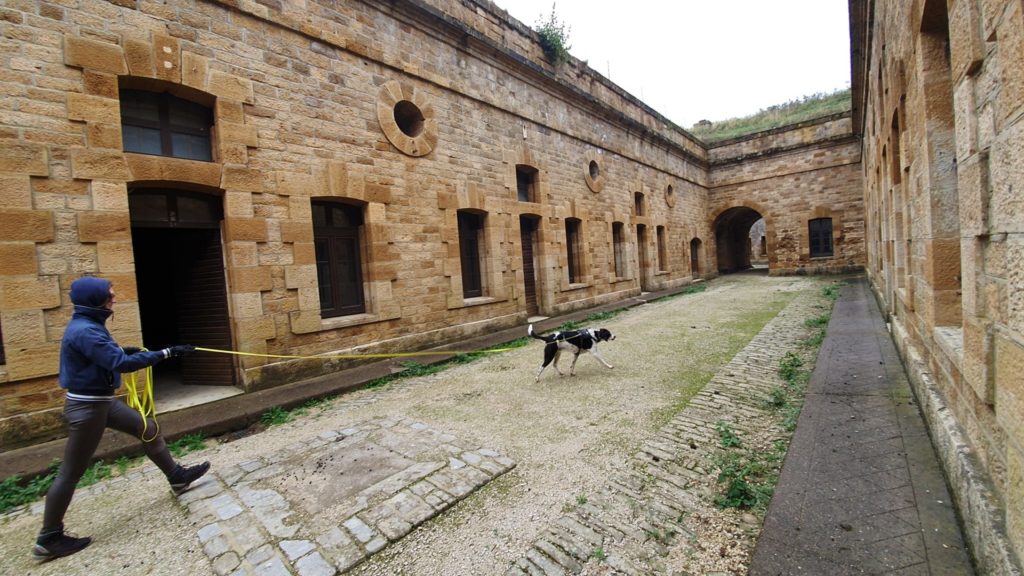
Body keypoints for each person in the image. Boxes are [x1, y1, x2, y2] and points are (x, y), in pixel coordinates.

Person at [32, 276, 211, 562]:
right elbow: (120, 364)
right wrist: (166, 353)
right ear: (94, 299)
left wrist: (123, 350)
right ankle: (49, 538)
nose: (113, 297)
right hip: (88, 409)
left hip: (103, 402)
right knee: (70, 472)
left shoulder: (90, 325)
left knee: (148, 428)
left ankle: (176, 477)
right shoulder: (86, 331)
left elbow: (108, 356)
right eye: (109, 295)